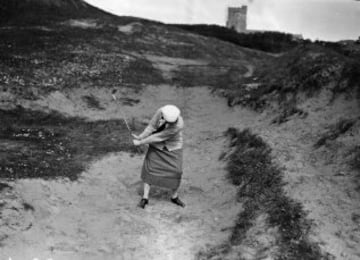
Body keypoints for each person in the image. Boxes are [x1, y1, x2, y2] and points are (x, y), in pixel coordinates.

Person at [132, 104, 185, 209]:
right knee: (150, 169)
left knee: (176, 171)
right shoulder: (160, 111)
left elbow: (158, 137)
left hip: (173, 147)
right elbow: (152, 126)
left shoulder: (179, 124)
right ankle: (145, 198)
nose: (171, 123)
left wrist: (140, 142)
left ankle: (174, 196)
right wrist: (141, 136)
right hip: (157, 147)